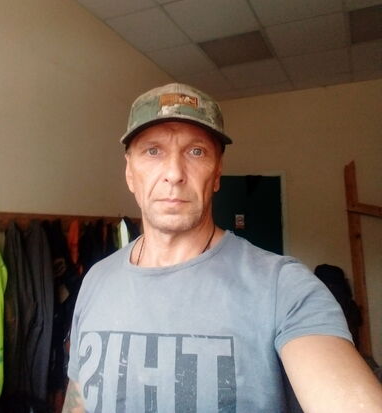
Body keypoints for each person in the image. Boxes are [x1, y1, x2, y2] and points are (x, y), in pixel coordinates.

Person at [63, 83, 382, 413]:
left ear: (217, 174)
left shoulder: (283, 287)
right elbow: (78, 401)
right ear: (130, 173)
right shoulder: (97, 280)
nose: (174, 173)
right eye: (153, 151)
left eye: (196, 152)